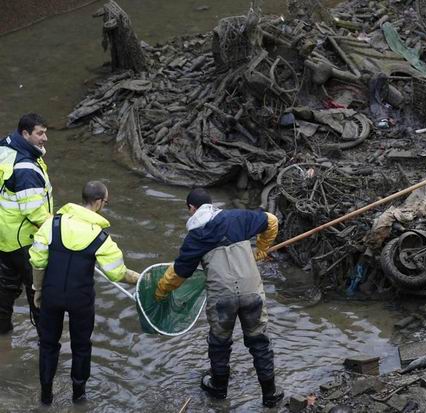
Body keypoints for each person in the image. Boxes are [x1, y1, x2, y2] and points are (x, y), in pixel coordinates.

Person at [154, 187, 284, 407]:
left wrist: (160, 293)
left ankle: (219, 389)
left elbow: (177, 274)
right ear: (211, 204)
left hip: (222, 299)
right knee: (259, 341)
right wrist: (262, 250)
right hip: (252, 292)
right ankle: (270, 394)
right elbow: (271, 221)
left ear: (191, 209)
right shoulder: (238, 218)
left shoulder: (195, 238)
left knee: (219, 343)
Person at [29, 181, 140, 405]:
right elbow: (116, 273)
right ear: (99, 202)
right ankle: (79, 397)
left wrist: (37, 291)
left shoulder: (52, 225)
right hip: (81, 300)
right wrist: (140, 279)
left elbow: (38, 261)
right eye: (105, 202)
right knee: (81, 346)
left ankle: (46, 396)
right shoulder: (101, 238)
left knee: (48, 345)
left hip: (51, 295)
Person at [0, 113, 54, 334]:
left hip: (5, 238)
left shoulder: (5, 148)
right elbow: (35, 214)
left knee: (4, 291)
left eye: (46, 133)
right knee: (38, 294)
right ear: (25, 134)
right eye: (40, 133)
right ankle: (46, 343)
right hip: (26, 242)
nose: (45, 138)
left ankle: (4, 340)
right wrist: (60, 229)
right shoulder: (26, 169)